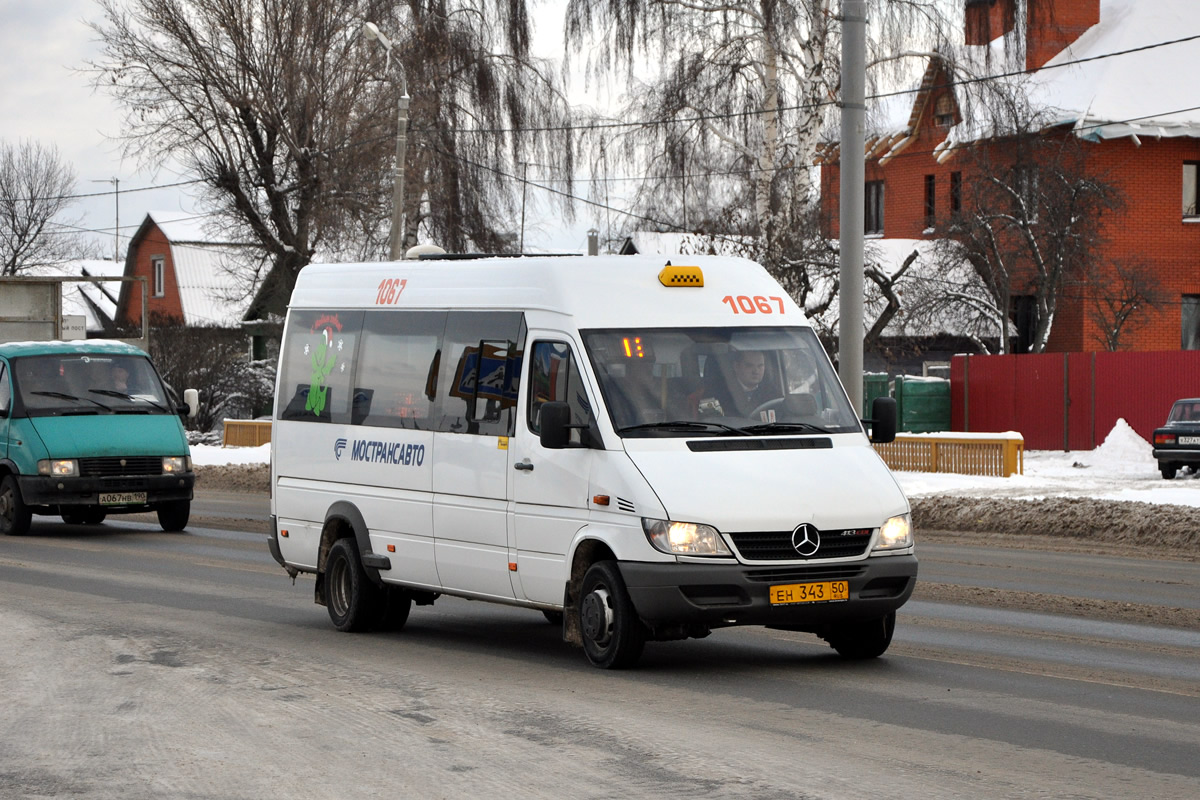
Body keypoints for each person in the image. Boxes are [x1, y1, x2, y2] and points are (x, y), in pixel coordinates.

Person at [704, 349, 779, 417]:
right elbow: (708, 421)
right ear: (736, 366)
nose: (756, 371)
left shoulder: (772, 393)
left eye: (760, 366)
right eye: (749, 366)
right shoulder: (714, 393)